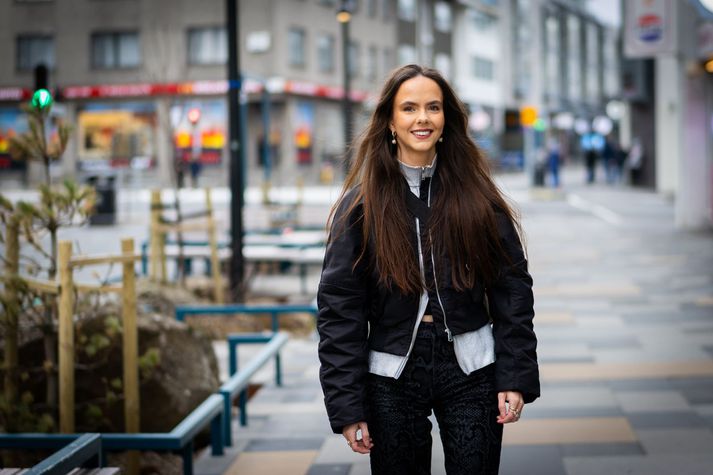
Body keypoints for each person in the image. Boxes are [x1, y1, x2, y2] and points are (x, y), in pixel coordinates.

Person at [317, 64, 539, 475]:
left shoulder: (478, 197)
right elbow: (339, 309)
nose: (423, 118)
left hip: (472, 366)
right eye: (409, 108)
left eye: (433, 107)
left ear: (446, 120)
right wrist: (347, 405)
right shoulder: (361, 205)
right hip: (391, 371)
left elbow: (512, 288)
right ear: (390, 121)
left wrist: (515, 375)